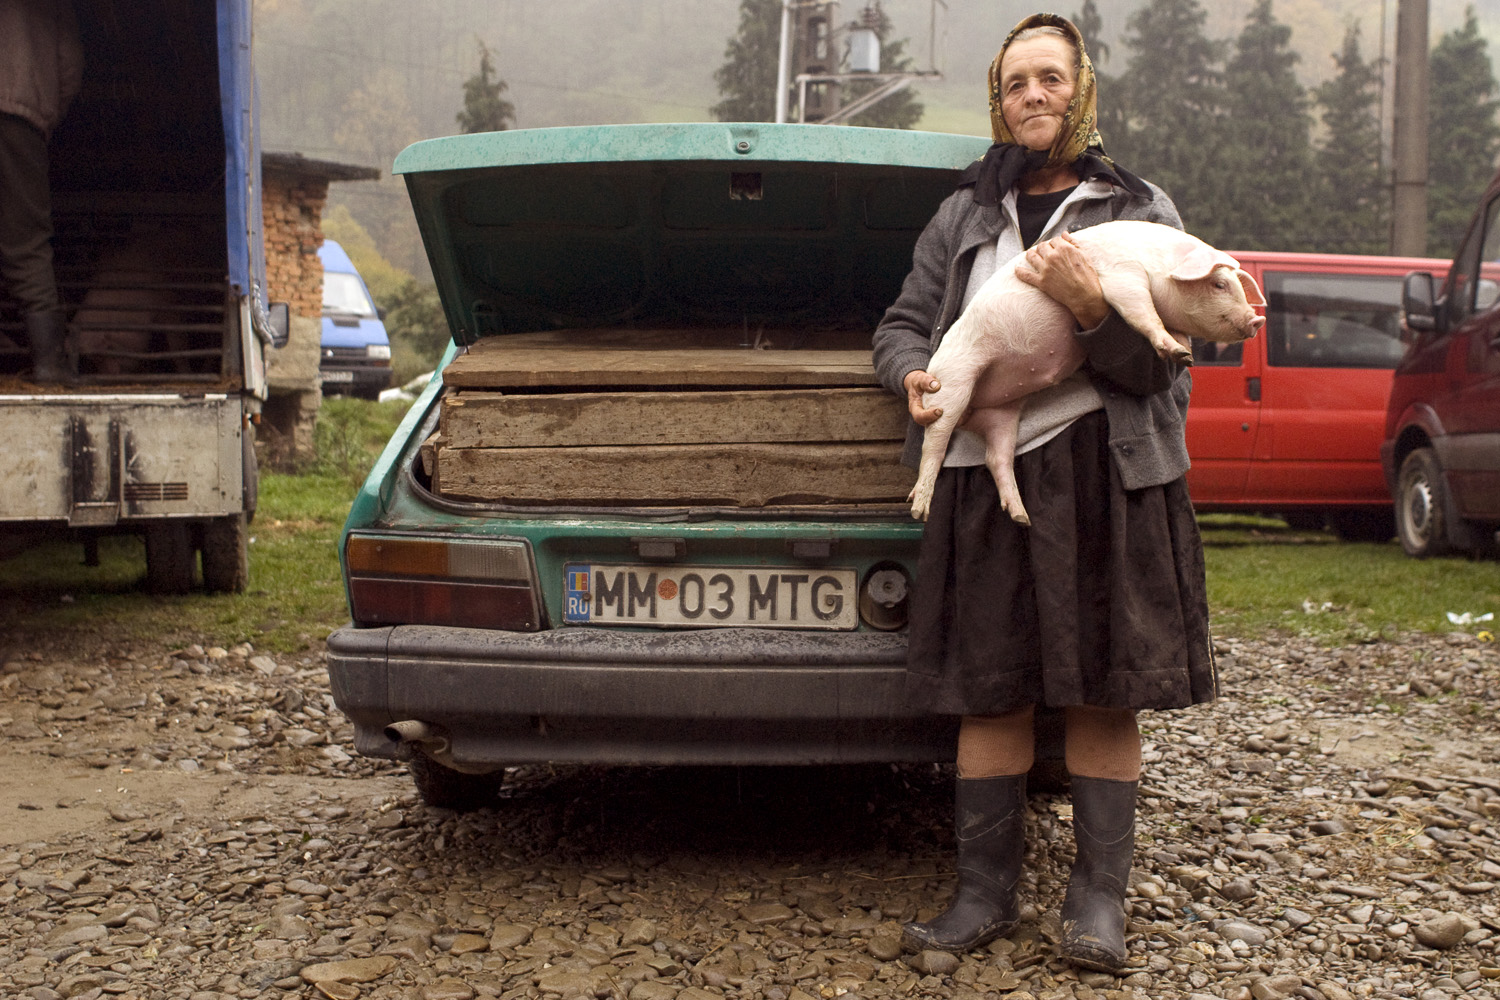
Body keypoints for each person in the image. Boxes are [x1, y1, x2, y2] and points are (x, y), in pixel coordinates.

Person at [870, 13, 1215, 974]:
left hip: (1111, 477)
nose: (1034, 95)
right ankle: (982, 894)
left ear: (1082, 90)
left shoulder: (1142, 213)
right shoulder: (964, 218)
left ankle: (1098, 903)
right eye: (1017, 81)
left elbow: (1162, 374)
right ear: (998, 99)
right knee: (993, 688)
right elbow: (901, 323)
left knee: (1107, 692)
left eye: (1051, 79)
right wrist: (910, 374)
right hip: (989, 479)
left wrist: (1091, 308)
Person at [0, 0, 84, 384]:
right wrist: (45, 117)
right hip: (20, 118)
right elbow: (69, 62)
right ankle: (49, 364)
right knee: (27, 244)